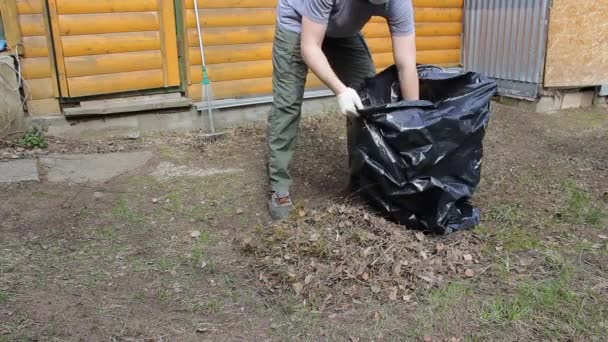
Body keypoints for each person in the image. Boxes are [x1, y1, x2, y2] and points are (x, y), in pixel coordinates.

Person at [267, 0, 420, 220]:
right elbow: (310, 47)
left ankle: (360, 179)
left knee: (368, 97)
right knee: (287, 104)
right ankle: (278, 185)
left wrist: (415, 115)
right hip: (298, 23)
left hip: (342, 31)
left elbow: (406, 63)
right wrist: (340, 90)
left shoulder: (399, 3)